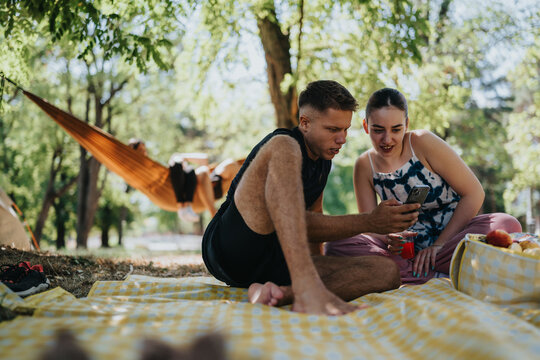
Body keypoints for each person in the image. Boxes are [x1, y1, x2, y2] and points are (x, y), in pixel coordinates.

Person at [202, 80, 421, 316]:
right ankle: (306, 287)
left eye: (345, 129)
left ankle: (281, 294)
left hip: (277, 261)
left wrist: (321, 270)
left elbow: (313, 220)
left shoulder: (323, 162)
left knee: (386, 271)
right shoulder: (285, 144)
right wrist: (369, 222)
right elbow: (291, 219)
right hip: (231, 248)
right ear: (305, 123)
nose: (342, 139)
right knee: (283, 145)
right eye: (333, 129)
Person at [325, 88, 522, 284]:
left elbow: (474, 193)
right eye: (378, 130)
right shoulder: (364, 165)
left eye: (396, 129)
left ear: (406, 124)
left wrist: (438, 246)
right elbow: (370, 227)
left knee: (506, 224)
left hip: (451, 242)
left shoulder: (422, 142)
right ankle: (436, 272)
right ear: (366, 126)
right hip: (406, 253)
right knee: (336, 246)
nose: (387, 139)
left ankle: (413, 273)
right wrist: (390, 239)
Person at [128, 139, 242, 222]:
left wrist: (181, 156)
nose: (144, 152)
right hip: (200, 190)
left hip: (215, 185)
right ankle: (214, 215)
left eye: (144, 150)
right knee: (201, 170)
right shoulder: (185, 175)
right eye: (140, 150)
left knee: (232, 164)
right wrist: (177, 161)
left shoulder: (193, 172)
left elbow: (204, 159)